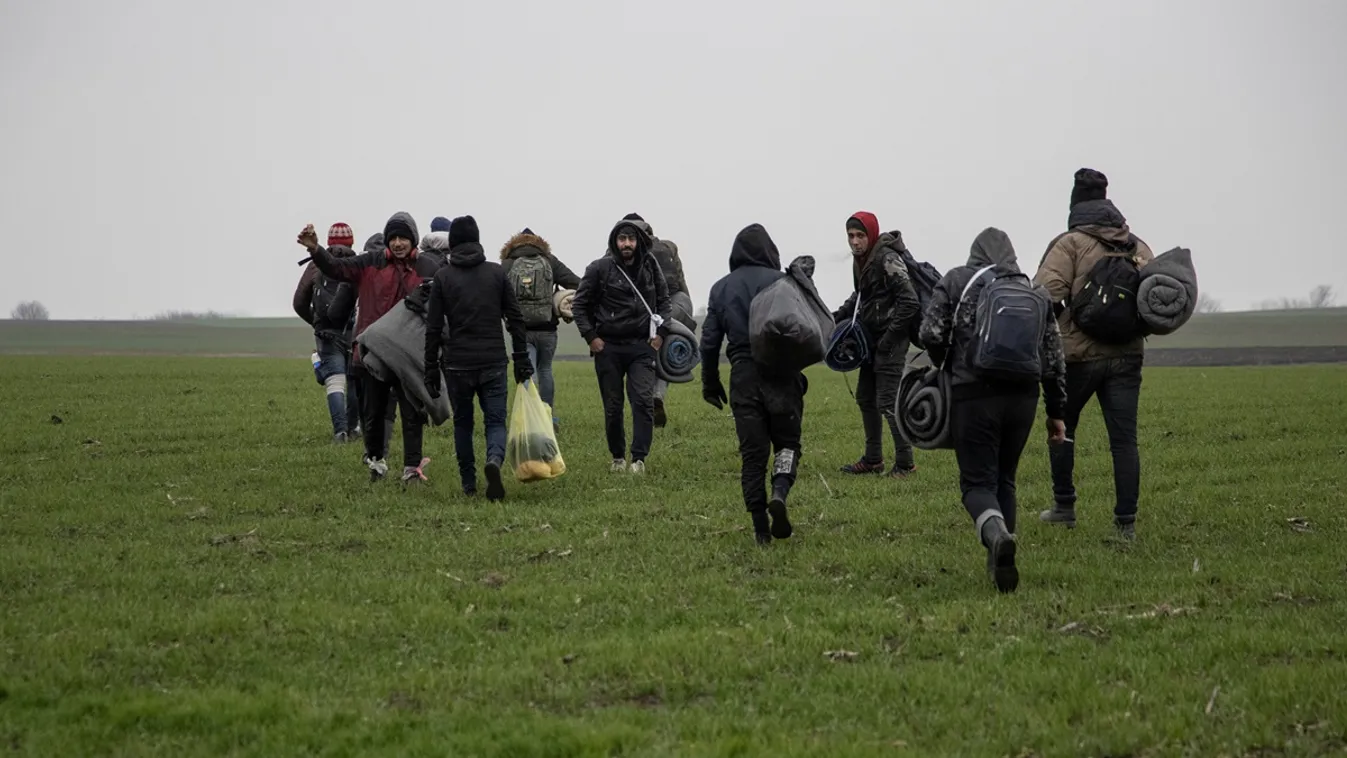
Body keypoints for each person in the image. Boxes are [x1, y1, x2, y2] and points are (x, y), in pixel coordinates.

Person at [919, 227, 1068, 592]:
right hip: (1023, 398)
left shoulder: (957, 280)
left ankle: (996, 535)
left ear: (975, 254)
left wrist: (948, 365)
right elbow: (1053, 358)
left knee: (976, 484)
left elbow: (930, 333)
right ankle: (999, 564)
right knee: (1005, 479)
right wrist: (1056, 411)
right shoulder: (1035, 292)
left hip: (974, 394)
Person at [1034, 168, 1155, 540]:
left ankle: (1065, 506)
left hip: (1078, 358)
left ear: (1076, 205)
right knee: (1124, 440)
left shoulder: (1069, 244)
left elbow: (1045, 298)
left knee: (1061, 429)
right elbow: (1155, 300)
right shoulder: (1137, 246)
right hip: (1127, 357)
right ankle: (1126, 524)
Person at [296, 212, 444, 483]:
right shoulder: (369, 263)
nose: (398, 243)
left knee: (412, 413)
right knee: (373, 413)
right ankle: (376, 462)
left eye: (403, 238)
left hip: (408, 354)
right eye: (393, 238)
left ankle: (412, 468)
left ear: (413, 239)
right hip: (371, 353)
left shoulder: (427, 268)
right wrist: (315, 250)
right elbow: (337, 268)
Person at [700, 224, 805, 545]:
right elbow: (801, 329)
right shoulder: (783, 282)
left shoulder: (721, 288)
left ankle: (761, 529)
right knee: (787, 444)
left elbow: (708, 343)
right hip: (782, 375)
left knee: (752, 456)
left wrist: (710, 381)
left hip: (743, 376)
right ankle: (780, 491)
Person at [424, 216, 533, 501]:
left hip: (457, 363)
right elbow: (515, 318)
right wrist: (521, 356)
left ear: (454, 244)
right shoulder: (496, 274)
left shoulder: (443, 277)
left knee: (463, 424)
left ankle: (469, 485)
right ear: (477, 239)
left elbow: (433, 327)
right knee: (495, 421)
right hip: (493, 360)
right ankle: (494, 462)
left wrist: (430, 369)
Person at [571, 216, 672, 474]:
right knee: (613, 406)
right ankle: (617, 457)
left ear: (639, 242)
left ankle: (639, 459)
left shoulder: (650, 265)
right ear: (615, 242)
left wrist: (660, 333)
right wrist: (591, 337)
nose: (627, 244)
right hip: (609, 347)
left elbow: (664, 301)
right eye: (622, 239)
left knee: (642, 401)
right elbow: (580, 305)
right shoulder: (598, 269)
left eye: (631, 239)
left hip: (641, 346)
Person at [833, 211, 921, 478]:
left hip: (891, 341)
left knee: (887, 400)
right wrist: (835, 317)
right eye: (850, 235)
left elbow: (910, 301)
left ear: (870, 235)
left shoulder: (887, 258)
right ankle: (873, 460)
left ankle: (906, 463)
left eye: (860, 235)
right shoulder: (861, 261)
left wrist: (889, 338)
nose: (854, 241)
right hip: (871, 341)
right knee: (865, 397)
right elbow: (861, 295)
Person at [499, 227, 582, 426]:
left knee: (529, 371)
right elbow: (577, 282)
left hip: (520, 329)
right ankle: (547, 416)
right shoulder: (549, 261)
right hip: (547, 328)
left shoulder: (508, 263)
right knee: (545, 370)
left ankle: (529, 416)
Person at [619, 213, 690, 428]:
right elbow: (680, 283)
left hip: (637, 312)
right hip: (671, 306)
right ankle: (657, 395)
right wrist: (683, 318)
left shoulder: (619, 248)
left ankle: (642, 407)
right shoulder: (668, 248)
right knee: (664, 348)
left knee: (637, 358)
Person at [293, 222, 359, 442]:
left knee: (335, 381)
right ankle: (354, 428)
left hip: (326, 333)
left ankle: (340, 432)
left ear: (328, 243)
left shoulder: (315, 266)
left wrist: (316, 322)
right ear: (351, 242)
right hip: (352, 331)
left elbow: (299, 302)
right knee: (355, 381)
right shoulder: (357, 264)